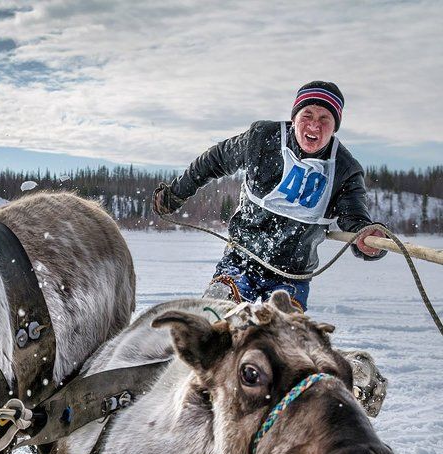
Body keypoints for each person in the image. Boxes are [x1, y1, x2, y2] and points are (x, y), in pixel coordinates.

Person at [152, 81, 386, 311]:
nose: (314, 126)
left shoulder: (345, 170)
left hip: (292, 275)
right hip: (240, 259)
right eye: (307, 116)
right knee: (215, 315)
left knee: (283, 336)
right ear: (294, 118)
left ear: (335, 126)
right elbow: (214, 160)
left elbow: (355, 219)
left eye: (324, 119)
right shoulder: (262, 139)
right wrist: (175, 194)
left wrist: (369, 239)